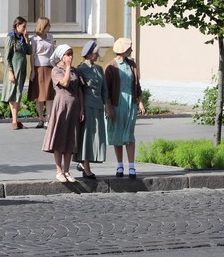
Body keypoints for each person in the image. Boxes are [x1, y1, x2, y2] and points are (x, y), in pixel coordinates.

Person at [42, 44, 84, 182]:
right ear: (61, 56)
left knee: (71, 138)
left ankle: (67, 170)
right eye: (67, 54)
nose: (70, 57)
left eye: (71, 54)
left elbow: (79, 90)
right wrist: (67, 67)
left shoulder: (75, 71)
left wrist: (82, 109)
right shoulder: (56, 70)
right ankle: (59, 170)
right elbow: (65, 83)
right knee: (59, 137)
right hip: (61, 106)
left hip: (74, 107)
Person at [105, 37, 146, 179]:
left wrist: (140, 102)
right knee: (117, 135)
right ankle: (120, 165)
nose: (132, 50)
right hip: (117, 103)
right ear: (123, 50)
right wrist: (108, 107)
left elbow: (137, 85)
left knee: (129, 135)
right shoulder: (111, 66)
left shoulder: (132, 65)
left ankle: (132, 166)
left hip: (130, 103)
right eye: (129, 48)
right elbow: (107, 90)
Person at [74, 41, 111, 179]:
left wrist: (107, 106)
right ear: (88, 54)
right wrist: (80, 109)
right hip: (87, 106)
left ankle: (85, 163)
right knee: (87, 136)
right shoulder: (80, 70)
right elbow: (79, 91)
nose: (97, 55)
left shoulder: (99, 69)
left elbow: (104, 89)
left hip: (98, 106)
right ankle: (85, 165)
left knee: (96, 137)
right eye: (95, 52)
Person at [0, 16, 32, 130]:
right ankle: (14, 121)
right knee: (13, 94)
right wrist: (10, 71)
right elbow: (7, 57)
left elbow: (29, 51)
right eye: (23, 26)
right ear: (17, 25)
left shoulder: (22, 38)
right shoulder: (11, 38)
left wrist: (27, 38)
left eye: (25, 26)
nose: (25, 28)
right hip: (14, 69)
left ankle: (16, 120)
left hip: (22, 70)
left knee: (18, 93)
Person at [28, 17, 56, 128]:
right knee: (39, 95)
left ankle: (49, 119)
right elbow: (32, 56)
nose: (50, 27)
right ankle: (40, 118)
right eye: (48, 24)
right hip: (38, 67)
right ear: (43, 25)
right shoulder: (34, 39)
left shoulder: (50, 37)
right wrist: (33, 71)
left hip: (50, 67)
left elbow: (53, 52)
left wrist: (55, 67)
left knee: (49, 95)